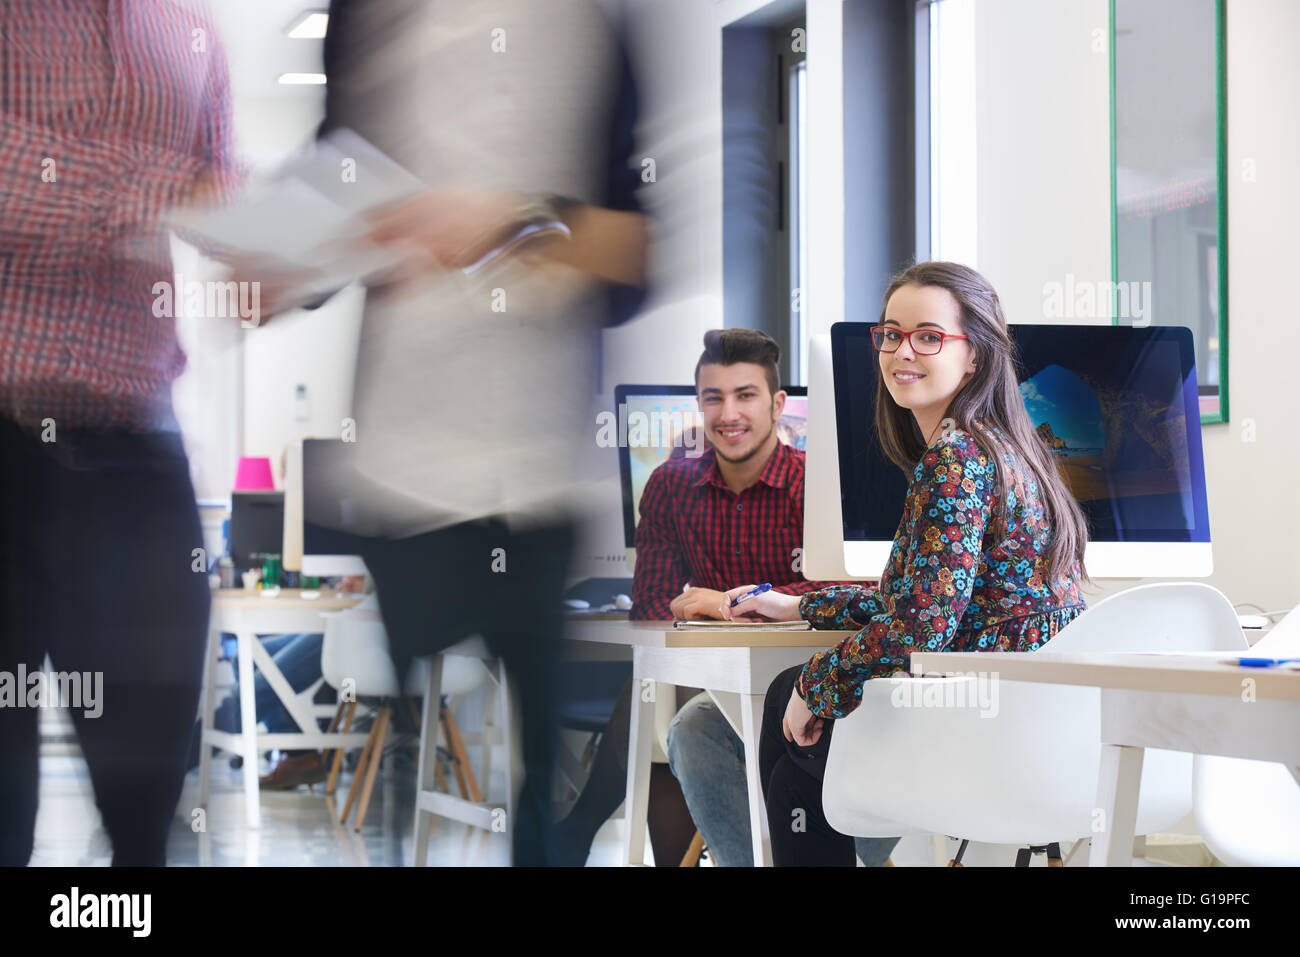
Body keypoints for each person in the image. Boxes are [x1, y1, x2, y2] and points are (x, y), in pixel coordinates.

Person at [264, 0, 650, 865]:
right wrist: (281, 260)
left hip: (535, 469)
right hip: (401, 468)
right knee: (399, 791)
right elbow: (337, 188)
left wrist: (509, 223)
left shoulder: (593, 25)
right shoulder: (365, 16)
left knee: (539, 799)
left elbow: (638, 256)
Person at [720, 261, 1090, 866]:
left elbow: (922, 625)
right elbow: (934, 596)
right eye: (891, 333)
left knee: (791, 707)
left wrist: (819, 683)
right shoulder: (1011, 447)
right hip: (1032, 720)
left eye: (928, 336)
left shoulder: (956, 456)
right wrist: (799, 604)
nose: (901, 352)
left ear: (976, 356)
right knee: (795, 734)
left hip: (983, 722)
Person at [0, 0, 237, 866]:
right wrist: (160, 191)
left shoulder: (195, 31)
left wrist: (307, 245)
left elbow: (226, 200)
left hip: (137, 447)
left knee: (149, 791)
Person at [553, 329, 887, 867]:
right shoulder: (670, 485)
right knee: (658, 701)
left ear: (778, 404)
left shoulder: (818, 487)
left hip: (814, 671)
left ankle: (575, 833)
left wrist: (743, 599)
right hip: (717, 676)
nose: (728, 413)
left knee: (668, 713)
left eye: (746, 395)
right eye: (714, 397)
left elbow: (853, 589)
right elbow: (650, 605)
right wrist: (700, 606)